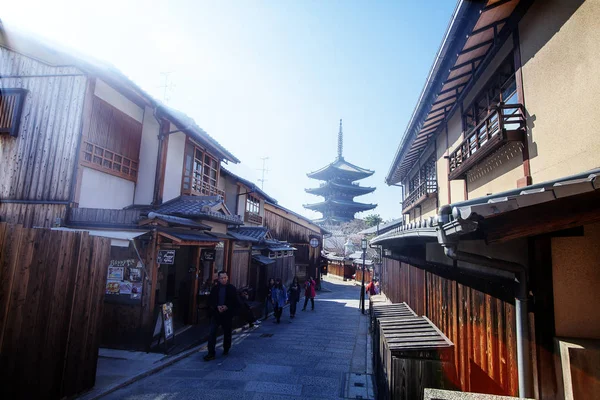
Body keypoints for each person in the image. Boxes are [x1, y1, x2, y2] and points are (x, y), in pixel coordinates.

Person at [204, 271, 239, 361]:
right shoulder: (215, 289)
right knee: (212, 333)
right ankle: (211, 353)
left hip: (227, 315)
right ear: (218, 279)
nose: (223, 280)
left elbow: (235, 301)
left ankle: (226, 348)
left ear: (227, 278)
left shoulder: (232, 288)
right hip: (216, 314)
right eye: (222, 278)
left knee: (227, 333)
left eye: (225, 278)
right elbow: (211, 301)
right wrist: (217, 306)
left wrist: (227, 306)